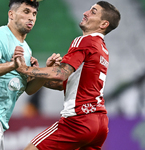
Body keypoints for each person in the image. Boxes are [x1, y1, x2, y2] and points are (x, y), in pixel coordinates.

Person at [14, 1, 121, 150]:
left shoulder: (84, 41)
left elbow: (60, 74)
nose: (86, 13)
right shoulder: (102, 49)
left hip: (78, 120)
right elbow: (62, 84)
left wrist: (24, 69)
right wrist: (40, 73)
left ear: (103, 24)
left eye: (93, 12)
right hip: (99, 124)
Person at [0, 0, 61, 150]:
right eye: (26, 12)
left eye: (34, 14)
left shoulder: (26, 50)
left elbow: (29, 89)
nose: (31, 18)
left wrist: (45, 71)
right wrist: (13, 65)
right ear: (11, 14)